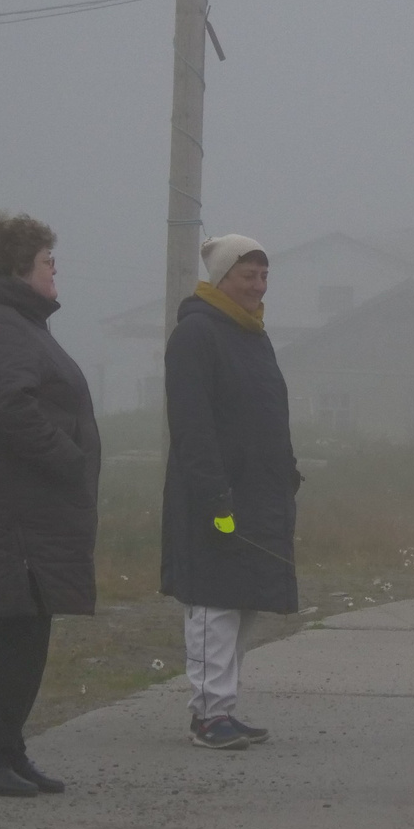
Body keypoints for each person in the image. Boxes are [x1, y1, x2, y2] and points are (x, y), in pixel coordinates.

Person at [0, 212, 100, 797]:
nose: (55, 271)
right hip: (10, 516)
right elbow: (11, 407)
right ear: (16, 268)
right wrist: (69, 459)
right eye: (46, 261)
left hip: (22, 514)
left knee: (21, 635)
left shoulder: (11, 322)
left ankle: (6, 749)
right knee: (5, 638)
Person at [161, 235, 300, 752]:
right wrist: (215, 500)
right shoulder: (196, 334)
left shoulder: (251, 334)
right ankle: (206, 715)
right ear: (221, 278)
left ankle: (224, 706)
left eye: (264, 276)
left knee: (243, 605)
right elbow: (192, 427)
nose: (258, 286)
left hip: (260, 496)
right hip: (213, 500)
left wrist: (286, 474)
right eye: (248, 276)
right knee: (212, 607)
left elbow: (268, 414)